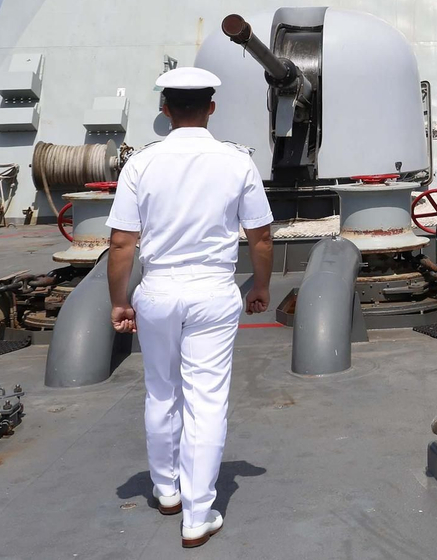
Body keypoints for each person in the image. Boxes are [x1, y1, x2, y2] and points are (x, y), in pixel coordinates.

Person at [106, 67, 275, 549]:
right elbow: (261, 236)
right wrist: (261, 286)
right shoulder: (237, 162)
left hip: (158, 290)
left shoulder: (141, 164)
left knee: (161, 392)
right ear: (211, 108)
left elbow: (121, 244)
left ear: (165, 110)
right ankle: (198, 514)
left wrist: (119, 301)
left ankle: (167, 491)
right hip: (213, 291)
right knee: (207, 399)